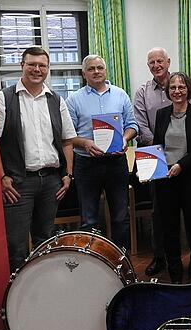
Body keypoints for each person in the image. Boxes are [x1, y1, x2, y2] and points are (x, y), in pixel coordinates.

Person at [0, 47, 77, 273]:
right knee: (17, 245)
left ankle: (42, 288)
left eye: (42, 65)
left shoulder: (56, 100)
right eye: (32, 64)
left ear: (48, 69)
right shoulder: (3, 99)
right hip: (19, 184)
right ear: (22, 65)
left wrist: (68, 174)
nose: (37, 69)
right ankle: (18, 298)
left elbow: (67, 141)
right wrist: (2, 177)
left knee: (45, 240)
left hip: (51, 182)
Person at [66, 55, 138, 252]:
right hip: (87, 164)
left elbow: (132, 125)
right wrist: (85, 143)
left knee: (121, 216)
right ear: (84, 74)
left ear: (105, 70)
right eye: (91, 69)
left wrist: (125, 138)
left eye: (99, 68)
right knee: (89, 218)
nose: (96, 72)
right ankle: (93, 262)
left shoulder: (120, 94)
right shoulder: (74, 99)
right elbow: (68, 135)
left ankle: (121, 263)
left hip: (116, 163)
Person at [152, 72, 191, 283]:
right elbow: (158, 145)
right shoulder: (161, 114)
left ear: (188, 89)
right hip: (165, 178)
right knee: (169, 226)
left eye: (181, 87)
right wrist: (149, 167)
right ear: (168, 91)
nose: (177, 91)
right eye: (173, 87)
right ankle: (174, 268)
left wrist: (181, 165)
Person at [134, 47, 172, 277]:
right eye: (152, 62)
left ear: (168, 61)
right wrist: (161, 147)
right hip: (154, 156)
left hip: (181, 156)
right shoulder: (142, 92)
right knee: (158, 210)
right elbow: (140, 124)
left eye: (160, 61)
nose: (156, 65)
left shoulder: (180, 84)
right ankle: (159, 257)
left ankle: (187, 256)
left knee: (185, 207)